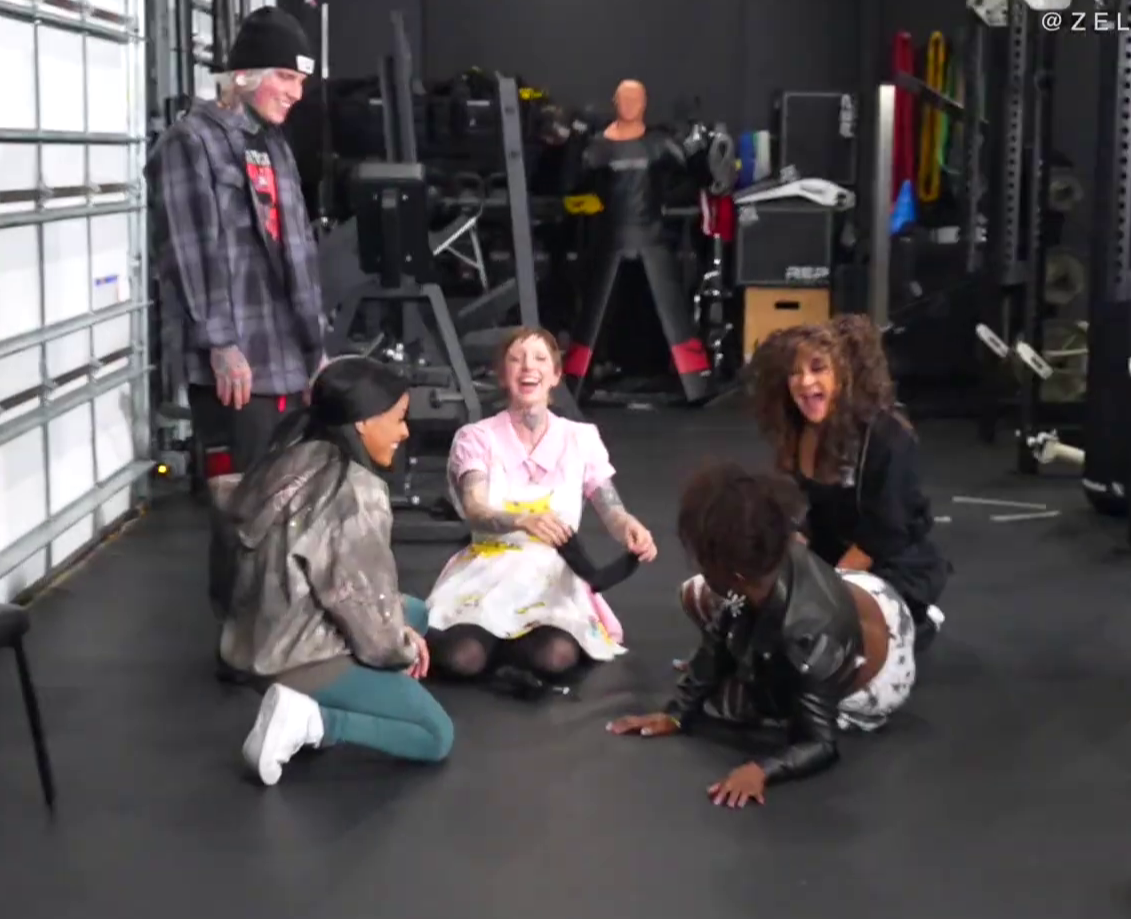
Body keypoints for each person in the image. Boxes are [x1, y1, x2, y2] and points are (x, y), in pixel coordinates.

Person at [146, 6, 327, 623]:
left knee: (287, 499)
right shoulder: (189, 143)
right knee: (241, 505)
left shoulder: (272, 144)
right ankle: (240, 636)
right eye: (287, 78)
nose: (296, 94)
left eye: (301, 82)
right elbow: (188, 253)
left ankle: (283, 628)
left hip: (288, 355)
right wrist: (221, 344)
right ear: (246, 74)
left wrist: (316, 347)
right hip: (238, 363)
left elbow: (298, 249)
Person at [609, 463, 916, 808]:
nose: (698, 564)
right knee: (698, 594)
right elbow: (723, 624)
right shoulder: (764, 549)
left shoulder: (808, 640)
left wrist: (763, 770)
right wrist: (678, 711)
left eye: (704, 561)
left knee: (734, 705)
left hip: (879, 673)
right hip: (864, 597)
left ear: (736, 574)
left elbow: (819, 743)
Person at [219, 356, 453, 786]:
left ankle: (313, 700)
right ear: (363, 422)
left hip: (251, 641)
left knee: (417, 612)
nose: (405, 432)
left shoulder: (287, 458)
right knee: (435, 734)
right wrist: (402, 648)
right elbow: (360, 606)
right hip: (298, 658)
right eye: (399, 419)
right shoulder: (354, 493)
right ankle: (312, 720)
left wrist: (402, 629)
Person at [425, 327, 659, 697]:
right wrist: (521, 520)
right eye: (516, 359)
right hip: (488, 572)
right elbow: (475, 508)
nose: (527, 367)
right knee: (461, 658)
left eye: (539, 359)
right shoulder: (477, 437)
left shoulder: (580, 438)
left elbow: (610, 507)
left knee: (555, 656)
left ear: (555, 375)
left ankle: (506, 650)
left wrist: (630, 527)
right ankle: (491, 645)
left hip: (550, 579)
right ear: (502, 375)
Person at [750, 314, 949, 652]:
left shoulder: (887, 436)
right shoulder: (799, 431)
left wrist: (825, 588)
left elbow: (884, 533)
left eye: (817, 369)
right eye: (794, 373)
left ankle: (915, 620)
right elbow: (808, 514)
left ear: (842, 375)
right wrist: (783, 566)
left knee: (827, 631)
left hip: (890, 562)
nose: (804, 382)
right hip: (832, 551)